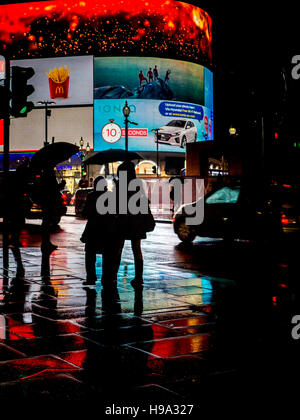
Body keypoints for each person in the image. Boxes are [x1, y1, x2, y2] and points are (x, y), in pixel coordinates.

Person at [114, 161, 155, 289]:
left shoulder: (120, 185)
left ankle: (113, 276)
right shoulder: (137, 185)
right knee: (137, 250)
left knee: (118, 249)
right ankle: (139, 277)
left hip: (122, 221)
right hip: (136, 222)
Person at [81, 176, 117, 285]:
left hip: (93, 229)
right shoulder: (110, 196)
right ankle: (106, 278)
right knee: (107, 255)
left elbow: (85, 213)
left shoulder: (91, 196)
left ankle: (91, 277)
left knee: (90, 254)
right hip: (107, 229)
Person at [39, 167, 61, 254]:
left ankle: (46, 242)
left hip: (46, 202)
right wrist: (61, 185)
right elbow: (54, 189)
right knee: (46, 223)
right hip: (49, 202)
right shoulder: (49, 177)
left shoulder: (43, 176)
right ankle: (46, 243)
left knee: (46, 222)